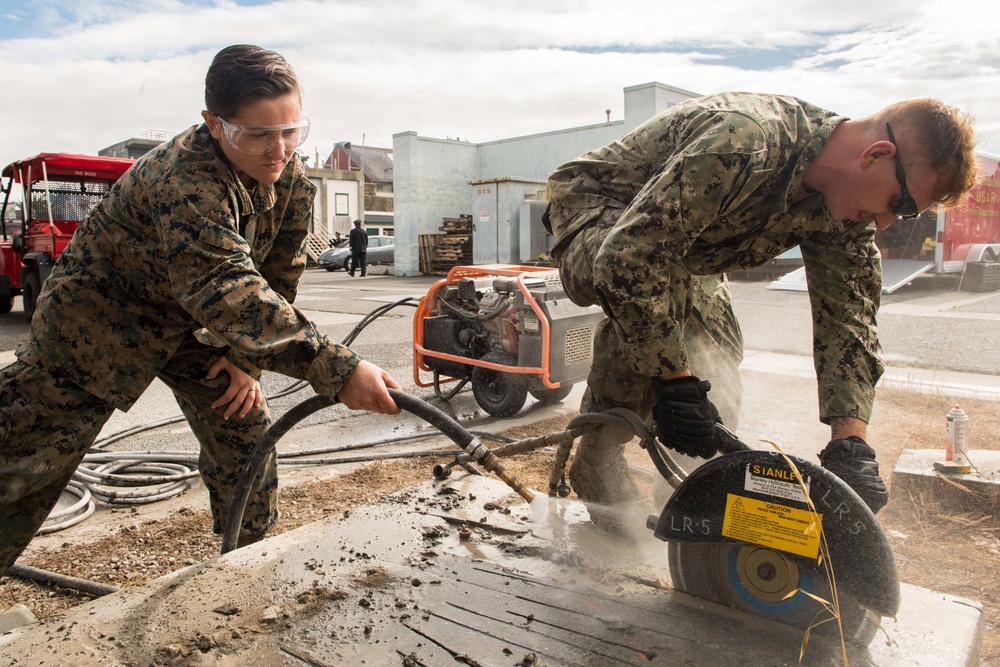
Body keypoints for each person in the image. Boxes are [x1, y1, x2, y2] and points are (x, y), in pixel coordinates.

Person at [0, 44, 401, 578]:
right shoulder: (185, 178)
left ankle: (242, 572)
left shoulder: (292, 184)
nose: (278, 150)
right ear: (213, 124)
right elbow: (223, 285)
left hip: (195, 329)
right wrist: (338, 369)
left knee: (246, 435)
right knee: (22, 459)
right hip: (99, 325)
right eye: (256, 134)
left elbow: (275, 277)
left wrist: (247, 361)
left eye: (291, 131)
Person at [542, 92, 977, 519]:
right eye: (898, 204)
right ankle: (597, 458)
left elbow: (850, 323)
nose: (886, 222)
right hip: (600, 208)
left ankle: (687, 491)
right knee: (661, 317)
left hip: (680, 240)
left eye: (907, 215)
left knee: (717, 363)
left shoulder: (844, 212)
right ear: (876, 155)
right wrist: (673, 382)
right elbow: (629, 257)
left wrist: (851, 442)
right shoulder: (745, 143)